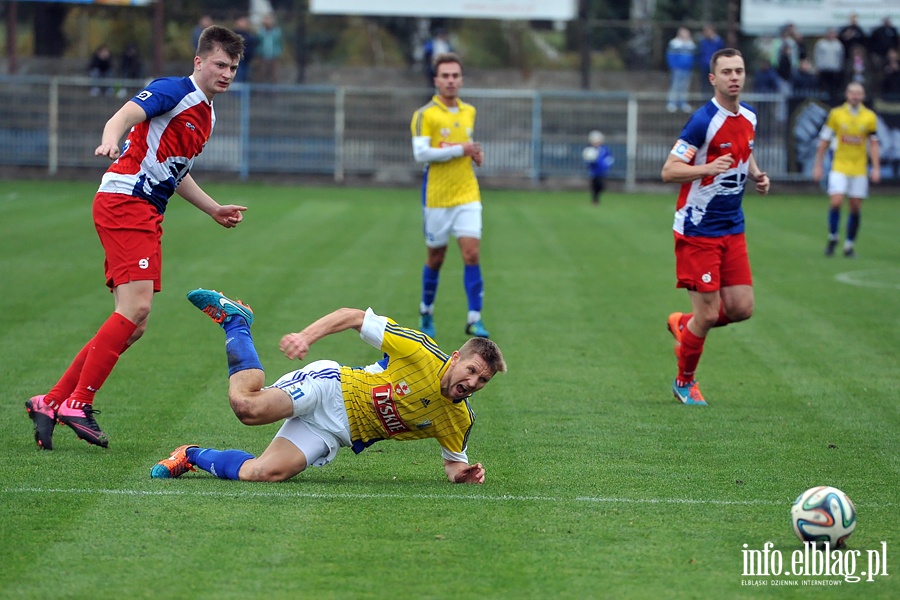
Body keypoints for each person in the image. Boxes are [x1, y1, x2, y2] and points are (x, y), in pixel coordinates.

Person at [24, 26, 248, 451]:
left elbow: (176, 171)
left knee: (134, 324)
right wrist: (110, 139)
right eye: (219, 64)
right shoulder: (173, 90)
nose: (227, 73)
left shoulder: (208, 114)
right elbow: (123, 116)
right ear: (199, 62)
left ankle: (50, 401)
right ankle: (78, 403)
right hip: (125, 201)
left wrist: (213, 208)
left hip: (144, 210)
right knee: (137, 307)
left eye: (233, 67)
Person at [150, 289, 506, 484]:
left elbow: (453, 466)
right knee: (249, 408)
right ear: (457, 357)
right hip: (330, 388)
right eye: (471, 370)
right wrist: (306, 336)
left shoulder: (459, 420)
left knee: (263, 473)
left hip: (336, 433)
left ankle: (189, 455)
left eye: (483, 381)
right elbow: (352, 317)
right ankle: (236, 323)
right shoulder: (419, 350)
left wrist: (466, 476)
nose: (472, 382)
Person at [660, 48, 771, 406]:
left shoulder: (750, 116)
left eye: (739, 70)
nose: (734, 77)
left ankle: (684, 325)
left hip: (732, 226)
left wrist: (755, 174)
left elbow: (744, 148)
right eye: (726, 72)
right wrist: (707, 168)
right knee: (707, 313)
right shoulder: (702, 121)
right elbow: (669, 170)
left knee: (741, 308)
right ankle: (684, 382)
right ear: (713, 78)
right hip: (698, 229)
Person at [410, 53, 490, 340]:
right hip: (437, 197)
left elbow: (466, 147)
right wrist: (462, 149)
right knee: (436, 257)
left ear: (461, 79)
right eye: (445, 75)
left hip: (467, 192)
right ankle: (426, 311)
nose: (451, 80)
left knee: (472, 253)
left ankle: (474, 318)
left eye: (455, 75)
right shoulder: (425, 115)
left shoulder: (469, 111)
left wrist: (474, 154)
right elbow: (421, 153)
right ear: (436, 80)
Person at [812, 82, 881, 258]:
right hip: (840, 166)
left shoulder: (869, 117)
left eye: (859, 93)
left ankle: (849, 245)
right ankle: (833, 236)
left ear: (863, 96)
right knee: (836, 201)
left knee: (855, 206)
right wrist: (818, 165)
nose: (855, 96)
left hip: (859, 168)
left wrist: (876, 168)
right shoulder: (836, 115)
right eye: (852, 93)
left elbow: (873, 144)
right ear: (847, 95)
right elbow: (824, 141)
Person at [666, 27, 696, 113]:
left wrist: (691, 66)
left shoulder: (691, 45)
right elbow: (670, 56)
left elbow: (693, 57)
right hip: (677, 69)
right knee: (675, 86)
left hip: (687, 69)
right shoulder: (674, 44)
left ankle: (683, 103)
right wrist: (673, 66)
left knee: (685, 86)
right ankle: (672, 103)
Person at [814, 29, 846, 105]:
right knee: (823, 88)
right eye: (830, 33)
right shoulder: (821, 44)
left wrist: (840, 68)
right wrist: (818, 66)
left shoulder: (838, 44)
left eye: (833, 33)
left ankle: (833, 103)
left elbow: (840, 57)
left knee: (834, 89)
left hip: (835, 69)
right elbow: (817, 56)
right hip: (824, 69)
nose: (831, 35)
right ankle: (822, 103)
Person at [583, 130, 615, 205]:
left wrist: (607, 164)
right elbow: (586, 161)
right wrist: (590, 162)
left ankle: (596, 198)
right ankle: (595, 200)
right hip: (594, 172)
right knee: (595, 185)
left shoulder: (604, 149)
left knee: (601, 186)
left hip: (602, 171)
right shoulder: (590, 150)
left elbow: (609, 158)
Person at [256, 13, 283, 85]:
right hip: (262, 56)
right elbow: (258, 43)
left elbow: (279, 44)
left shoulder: (277, 32)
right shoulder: (260, 32)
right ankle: (260, 92)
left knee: (274, 75)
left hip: (273, 57)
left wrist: (277, 53)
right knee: (261, 74)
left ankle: (273, 93)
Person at [232, 16, 256, 83]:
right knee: (237, 77)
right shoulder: (233, 34)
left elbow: (253, 44)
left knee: (245, 78)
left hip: (246, 60)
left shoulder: (249, 36)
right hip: (236, 60)